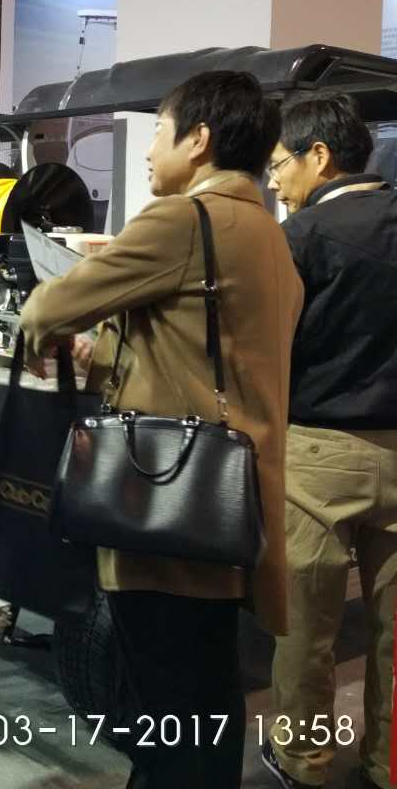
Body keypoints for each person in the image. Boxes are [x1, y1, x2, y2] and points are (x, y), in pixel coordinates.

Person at [20, 70, 303, 788]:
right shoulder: (267, 232)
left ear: (198, 139)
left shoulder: (182, 220)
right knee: (205, 691)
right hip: (229, 501)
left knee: (166, 703)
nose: (148, 150)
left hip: (167, 500)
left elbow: (45, 310)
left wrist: (62, 313)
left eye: (157, 131)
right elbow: (209, 353)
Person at [261, 92, 397, 789]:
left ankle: (305, 763)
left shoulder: (302, 237)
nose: (275, 181)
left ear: (319, 155)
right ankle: (387, 763)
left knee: (307, 632)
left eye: (279, 164)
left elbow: (265, 346)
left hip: (319, 455)